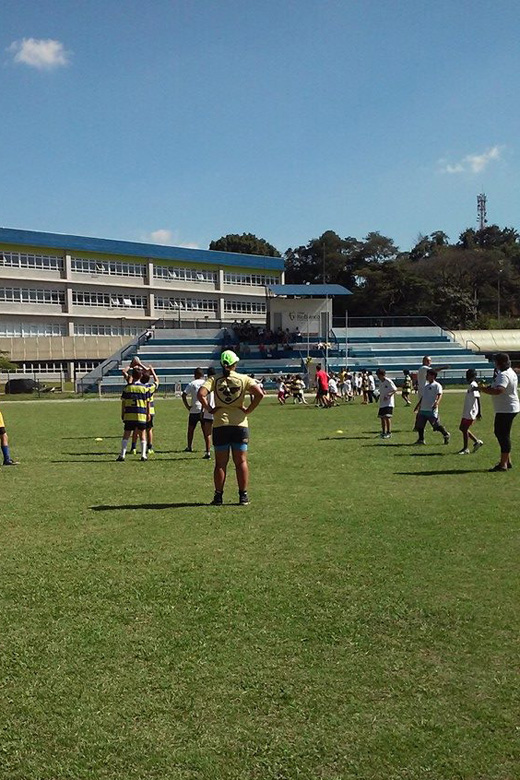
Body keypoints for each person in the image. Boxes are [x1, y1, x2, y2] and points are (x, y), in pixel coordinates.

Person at [198, 350, 264, 506]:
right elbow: (259, 394)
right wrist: (248, 410)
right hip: (239, 425)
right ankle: (243, 496)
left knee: (220, 463)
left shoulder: (214, 379)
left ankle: (218, 496)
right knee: (241, 462)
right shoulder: (244, 379)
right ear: (235, 363)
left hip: (220, 425)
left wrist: (209, 409)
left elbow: (201, 394)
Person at [480, 352, 519, 471]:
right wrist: (487, 388)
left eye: (496, 361)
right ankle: (507, 461)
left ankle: (503, 464)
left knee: (502, 435)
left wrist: (482, 389)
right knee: (501, 433)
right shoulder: (509, 372)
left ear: (500, 363)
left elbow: (499, 390)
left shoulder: (504, 375)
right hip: (507, 408)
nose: (495, 363)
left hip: (506, 409)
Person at [117, 365, 150, 461]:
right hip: (141, 415)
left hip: (129, 414)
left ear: (132, 375)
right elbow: (147, 403)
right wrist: (148, 414)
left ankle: (122, 455)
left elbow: (123, 402)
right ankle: (143, 455)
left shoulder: (127, 388)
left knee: (126, 434)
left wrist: (123, 413)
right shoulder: (144, 388)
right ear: (141, 376)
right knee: (142, 434)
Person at [413, 368, 451, 445]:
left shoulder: (437, 385)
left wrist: (437, 403)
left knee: (436, 426)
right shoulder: (426, 386)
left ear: (433, 376)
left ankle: (446, 434)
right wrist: (418, 405)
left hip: (431, 409)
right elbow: (423, 397)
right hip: (423, 408)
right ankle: (421, 440)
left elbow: (439, 395)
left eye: (428, 375)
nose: (426, 376)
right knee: (420, 425)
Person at [129, 364, 159, 455]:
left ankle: (133, 447)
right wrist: (152, 371)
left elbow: (131, 381)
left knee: (136, 429)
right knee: (149, 429)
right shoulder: (149, 387)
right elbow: (157, 381)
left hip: (139, 410)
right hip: (150, 411)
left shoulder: (139, 387)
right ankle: (149, 448)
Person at [457, 369, 483, 455]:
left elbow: (477, 398)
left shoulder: (473, 385)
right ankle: (476, 441)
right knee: (462, 428)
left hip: (471, 411)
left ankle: (466, 448)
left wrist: (479, 412)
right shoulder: (471, 385)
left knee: (464, 428)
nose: (467, 377)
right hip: (467, 410)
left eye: (469, 375)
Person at [182, 368, 206, 453]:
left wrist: (187, 406)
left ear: (195, 375)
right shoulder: (205, 383)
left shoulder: (192, 383)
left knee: (191, 429)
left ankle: (189, 446)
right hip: (204, 409)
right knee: (206, 430)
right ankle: (207, 448)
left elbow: (184, 395)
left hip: (194, 409)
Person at [376, 369, 397, 439]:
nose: (378, 377)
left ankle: (389, 432)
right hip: (382, 403)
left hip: (388, 403)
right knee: (382, 418)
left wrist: (389, 395)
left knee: (387, 417)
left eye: (378, 375)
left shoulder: (388, 381)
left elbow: (395, 389)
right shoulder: (380, 382)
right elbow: (381, 390)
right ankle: (383, 432)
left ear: (382, 375)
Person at [201, 366, 216, 459]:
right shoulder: (218, 383)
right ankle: (220, 450)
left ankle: (208, 452)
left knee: (207, 433)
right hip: (218, 410)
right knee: (218, 432)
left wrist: (202, 410)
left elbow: (203, 398)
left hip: (208, 410)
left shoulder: (206, 384)